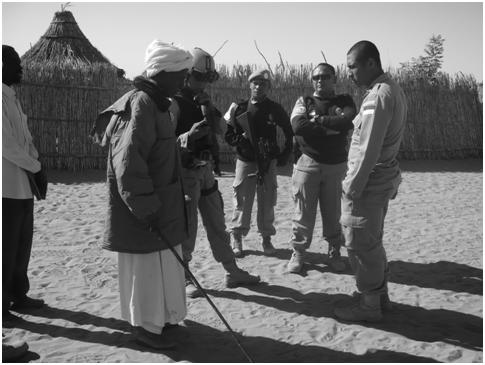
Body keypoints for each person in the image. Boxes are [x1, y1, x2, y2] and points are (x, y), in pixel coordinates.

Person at [91, 40, 193, 349]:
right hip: (146, 211)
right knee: (147, 271)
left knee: (163, 268)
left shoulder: (157, 103)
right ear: (162, 73)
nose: (184, 80)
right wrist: (146, 208)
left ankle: (161, 321)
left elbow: (157, 153)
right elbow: (128, 163)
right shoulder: (141, 104)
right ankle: (146, 328)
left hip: (163, 206)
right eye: (180, 74)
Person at [170, 47, 260, 298]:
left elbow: (223, 129)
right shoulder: (174, 103)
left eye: (207, 79)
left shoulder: (204, 103)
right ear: (187, 76)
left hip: (206, 171)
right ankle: (184, 276)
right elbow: (164, 140)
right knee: (187, 228)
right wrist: (188, 136)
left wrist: (235, 132)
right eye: (199, 78)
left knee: (217, 223)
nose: (203, 84)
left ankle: (232, 270)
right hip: (185, 173)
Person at [334, 41, 407, 322]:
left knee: (360, 243)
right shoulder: (390, 88)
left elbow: (369, 149)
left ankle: (369, 307)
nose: (349, 73)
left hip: (368, 183)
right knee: (371, 241)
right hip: (379, 179)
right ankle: (380, 297)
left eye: (353, 66)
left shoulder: (377, 97)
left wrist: (352, 187)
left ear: (370, 64)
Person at [287, 63, 356, 274]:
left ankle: (334, 251)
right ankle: (298, 253)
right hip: (308, 163)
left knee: (334, 212)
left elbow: (348, 121)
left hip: (336, 166)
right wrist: (328, 130)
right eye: (316, 77)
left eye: (325, 76)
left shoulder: (344, 101)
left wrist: (318, 121)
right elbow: (298, 125)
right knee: (303, 213)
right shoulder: (304, 101)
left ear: (334, 79)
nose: (320, 80)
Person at [224, 69, 293, 257]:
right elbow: (227, 133)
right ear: (249, 85)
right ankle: (237, 236)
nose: (258, 86)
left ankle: (266, 237)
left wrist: (285, 153)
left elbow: (288, 130)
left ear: (268, 86)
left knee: (267, 201)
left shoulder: (275, 109)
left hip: (268, 162)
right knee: (242, 200)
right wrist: (241, 139)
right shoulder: (238, 108)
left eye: (262, 83)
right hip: (245, 161)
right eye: (255, 82)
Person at [3, 45, 47, 319]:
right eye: (14, 63)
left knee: (21, 244)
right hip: (4, 187)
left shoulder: (11, 97)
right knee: (4, 248)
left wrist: (35, 164)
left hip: (21, 187)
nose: (21, 68)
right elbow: (5, 144)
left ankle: (18, 295)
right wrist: (35, 166)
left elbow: (25, 140)